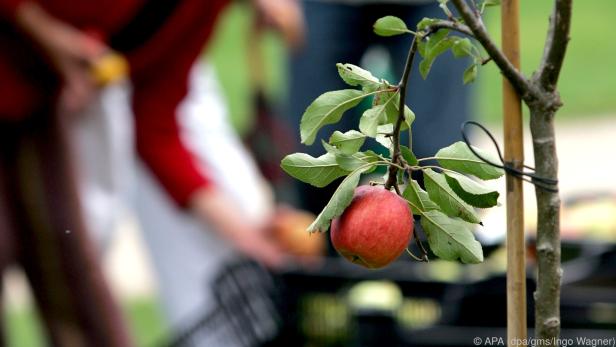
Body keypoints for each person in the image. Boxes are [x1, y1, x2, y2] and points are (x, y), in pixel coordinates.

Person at [289, 0, 472, 213]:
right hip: (324, 4)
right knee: (317, 153)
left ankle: (441, 239)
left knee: (437, 153)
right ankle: (321, 240)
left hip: (435, 4)